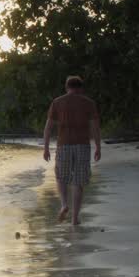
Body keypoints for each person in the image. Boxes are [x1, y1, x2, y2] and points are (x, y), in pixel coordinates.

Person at [42, 75, 101, 226]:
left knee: (61, 178)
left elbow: (48, 127)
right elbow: (95, 127)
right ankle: (75, 218)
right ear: (81, 88)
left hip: (64, 145)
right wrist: (98, 147)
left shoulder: (57, 102)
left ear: (66, 87)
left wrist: (46, 148)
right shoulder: (89, 103)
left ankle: (63, 204)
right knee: (78, 182)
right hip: (82, 145)